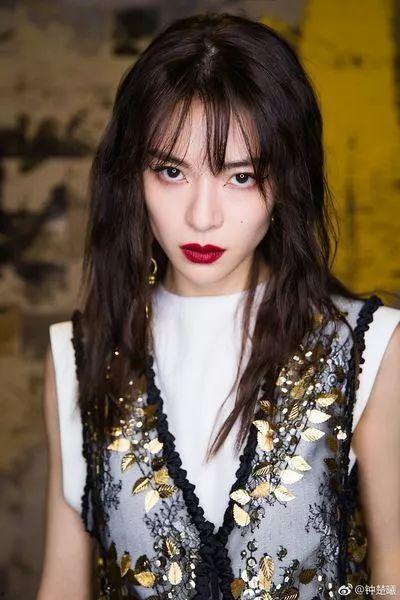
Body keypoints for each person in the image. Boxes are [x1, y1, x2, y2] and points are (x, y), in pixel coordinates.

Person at [36, 12, 400, 600]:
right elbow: (62, 585)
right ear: (133, 177)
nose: (202, 217)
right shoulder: (79, 357)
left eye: (240, 177)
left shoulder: (373, 349)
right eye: (171, 171)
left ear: (286, 182)